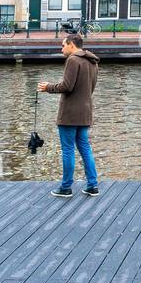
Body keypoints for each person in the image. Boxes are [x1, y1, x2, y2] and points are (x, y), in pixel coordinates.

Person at [38, 33, 100, 198]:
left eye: (63, 45)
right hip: (85, 112)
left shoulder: (73, 60)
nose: (61, 48)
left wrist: (48, 87)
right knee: (85, 149)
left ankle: (66, 187)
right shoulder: (92, 61)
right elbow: (90, 88)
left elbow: (67, 86)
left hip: (70, 114)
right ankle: (92, 185)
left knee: (68, 150)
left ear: (72, 44)